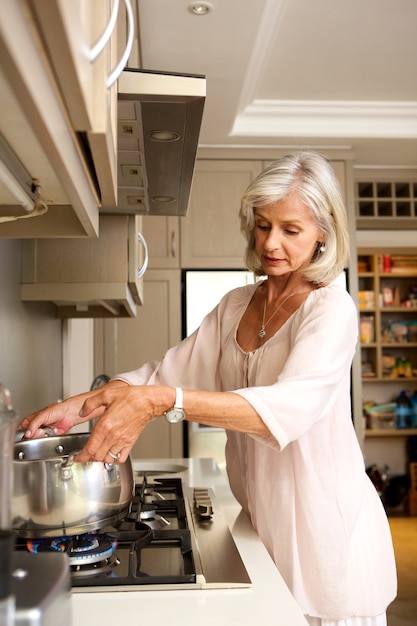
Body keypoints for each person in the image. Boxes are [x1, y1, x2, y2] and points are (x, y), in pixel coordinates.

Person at [19, 151, 397, 626]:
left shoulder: (330, 310)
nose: (270, 242)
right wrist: (77, 407)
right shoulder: (237, 304)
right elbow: (164, 374)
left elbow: (282, 412)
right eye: (262, 225)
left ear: (324, 232)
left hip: (327, 538)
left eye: (289, 229)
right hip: (261, 525)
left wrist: (164, 402)